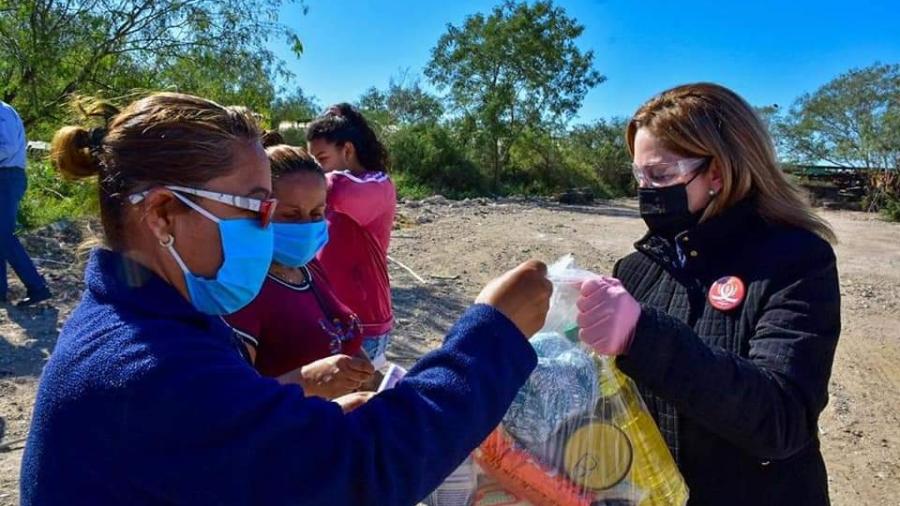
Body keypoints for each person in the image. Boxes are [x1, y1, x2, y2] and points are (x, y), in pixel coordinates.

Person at [21, 92, 552, 505]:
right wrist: (492, 335)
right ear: (162, 214)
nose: (269, 228)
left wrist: (295, 417)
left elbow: (227, 444)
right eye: (254, 209)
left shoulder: (150, 322)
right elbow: (358, 473)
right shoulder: (146, 368)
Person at [575, 83, 840, 505]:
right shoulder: (636, 269)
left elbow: (782, 419)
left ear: (717, 172)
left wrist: (641, 335)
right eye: (638, 175)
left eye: (660, 175)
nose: (646, 190)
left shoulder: (796, 261)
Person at [225, 141, 374, 399]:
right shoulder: (242, 291)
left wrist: (371, 377)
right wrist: (306, 383)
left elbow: (340, 335)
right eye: (291, 215)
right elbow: (234, 405)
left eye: (317, 213)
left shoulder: (309, 268)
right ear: (257, 213)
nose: (306, 226)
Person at [306, 104, 396, 367]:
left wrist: (298, 177)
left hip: (365, 322)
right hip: (328, 318)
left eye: (320, 160)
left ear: (347, 150)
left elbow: (341, 190)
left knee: (360, 403)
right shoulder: (325, 190)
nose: (317, 169)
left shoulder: (378, 185)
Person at [0, 100, 51, 306]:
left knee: (3, 234)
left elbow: (8, 147)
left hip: (6, 177)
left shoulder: (2, 111)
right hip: (5, 177)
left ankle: (37, 287)